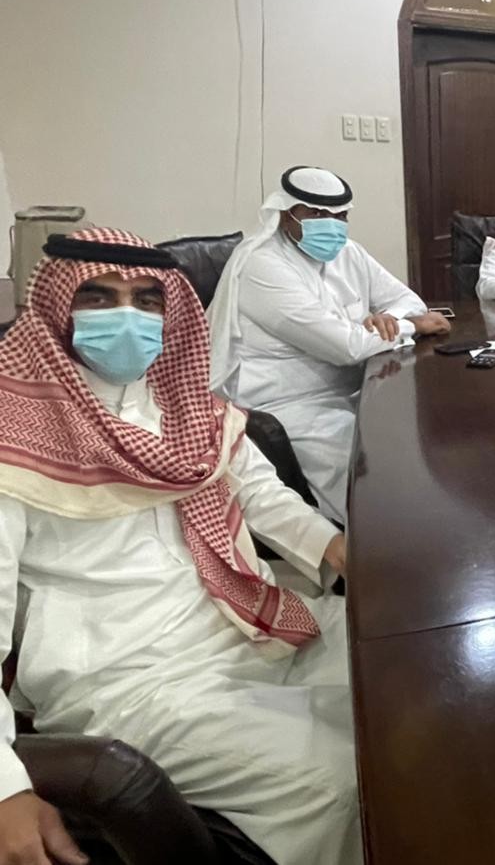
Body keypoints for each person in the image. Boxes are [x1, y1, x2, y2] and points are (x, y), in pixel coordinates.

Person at [0, 228, 360, 865]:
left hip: (242, 621)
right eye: (98, 297)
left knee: (402, 685)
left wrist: (339, 550)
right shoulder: (12, 437)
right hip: (126, 677)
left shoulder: (183, 404)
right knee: (340, 786)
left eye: (146, 300)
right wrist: (6, 788)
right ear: (56, 305)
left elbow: (258, 491)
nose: (127, 317)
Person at [207, 166, 449, 524]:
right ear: (287, 214)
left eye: (340, 216)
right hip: (287, 406)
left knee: (413, 446)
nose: (332, 225)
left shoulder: (348, 253)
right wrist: (409, 326)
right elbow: (345, 346)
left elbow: (408, 300)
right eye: (318, 214)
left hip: (355, 387)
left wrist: (388, 319)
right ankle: (372, 549)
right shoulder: (261, 265)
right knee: (375, 481)